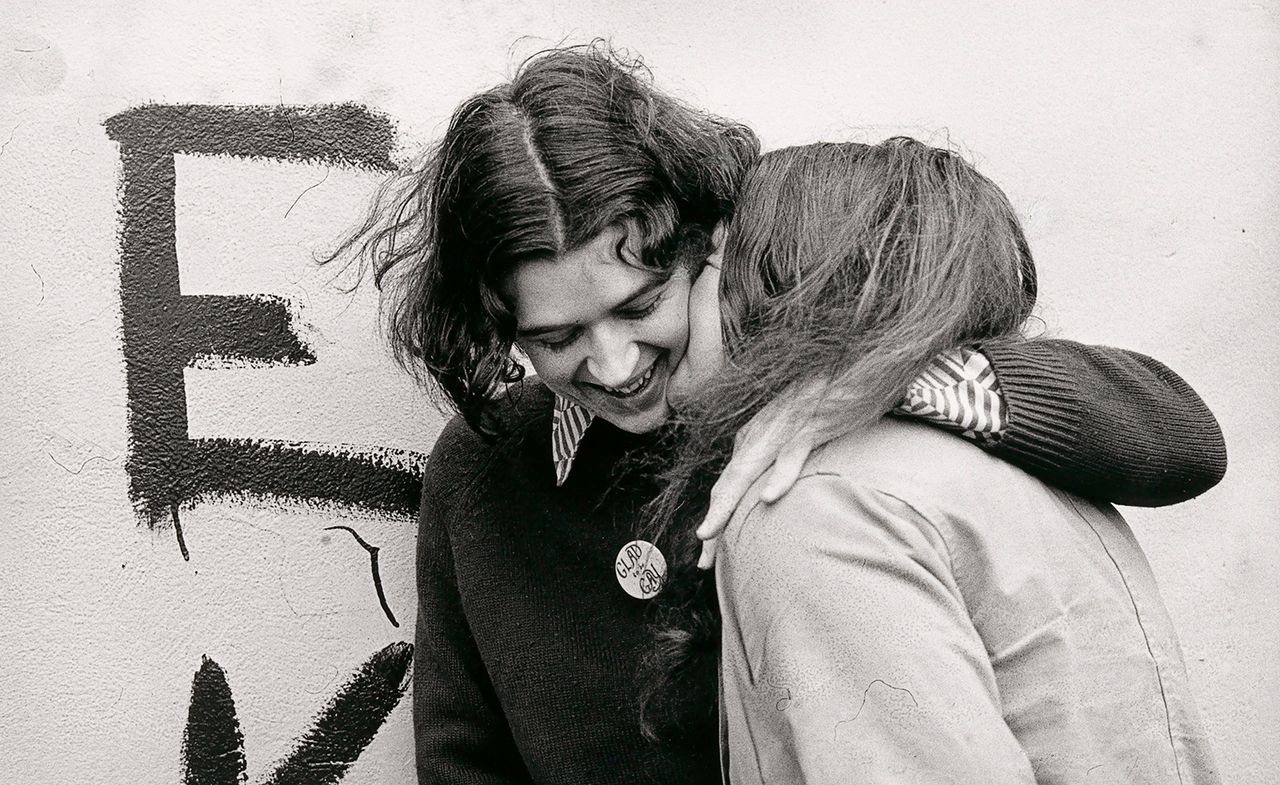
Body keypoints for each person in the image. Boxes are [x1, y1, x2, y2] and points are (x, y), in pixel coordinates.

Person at [331, 44, 1226, 785]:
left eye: (641, 307)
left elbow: (1179, 434)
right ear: (499, 320)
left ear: (705, 246)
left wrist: (874, 383)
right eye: (559, 336)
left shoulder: (824, 398)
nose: (612, 363)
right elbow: (464, 760)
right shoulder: (486, 469)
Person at [648, 138, 1221, 783]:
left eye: (714, 260)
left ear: (783, 282)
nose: (686, 290)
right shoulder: (1012, 462)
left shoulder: (812, 504)